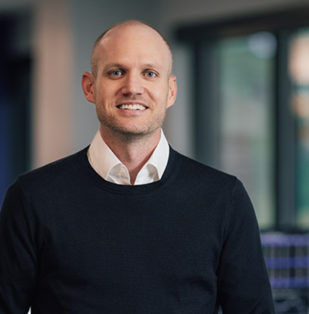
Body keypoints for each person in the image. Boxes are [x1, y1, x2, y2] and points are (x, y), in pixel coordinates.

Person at [0, 20, 274, 313]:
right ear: (90, 87)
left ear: (170, 91)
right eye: (116, 72)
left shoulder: (224, 199)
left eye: (149, 73)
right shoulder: (33, 198)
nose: (132, 87)